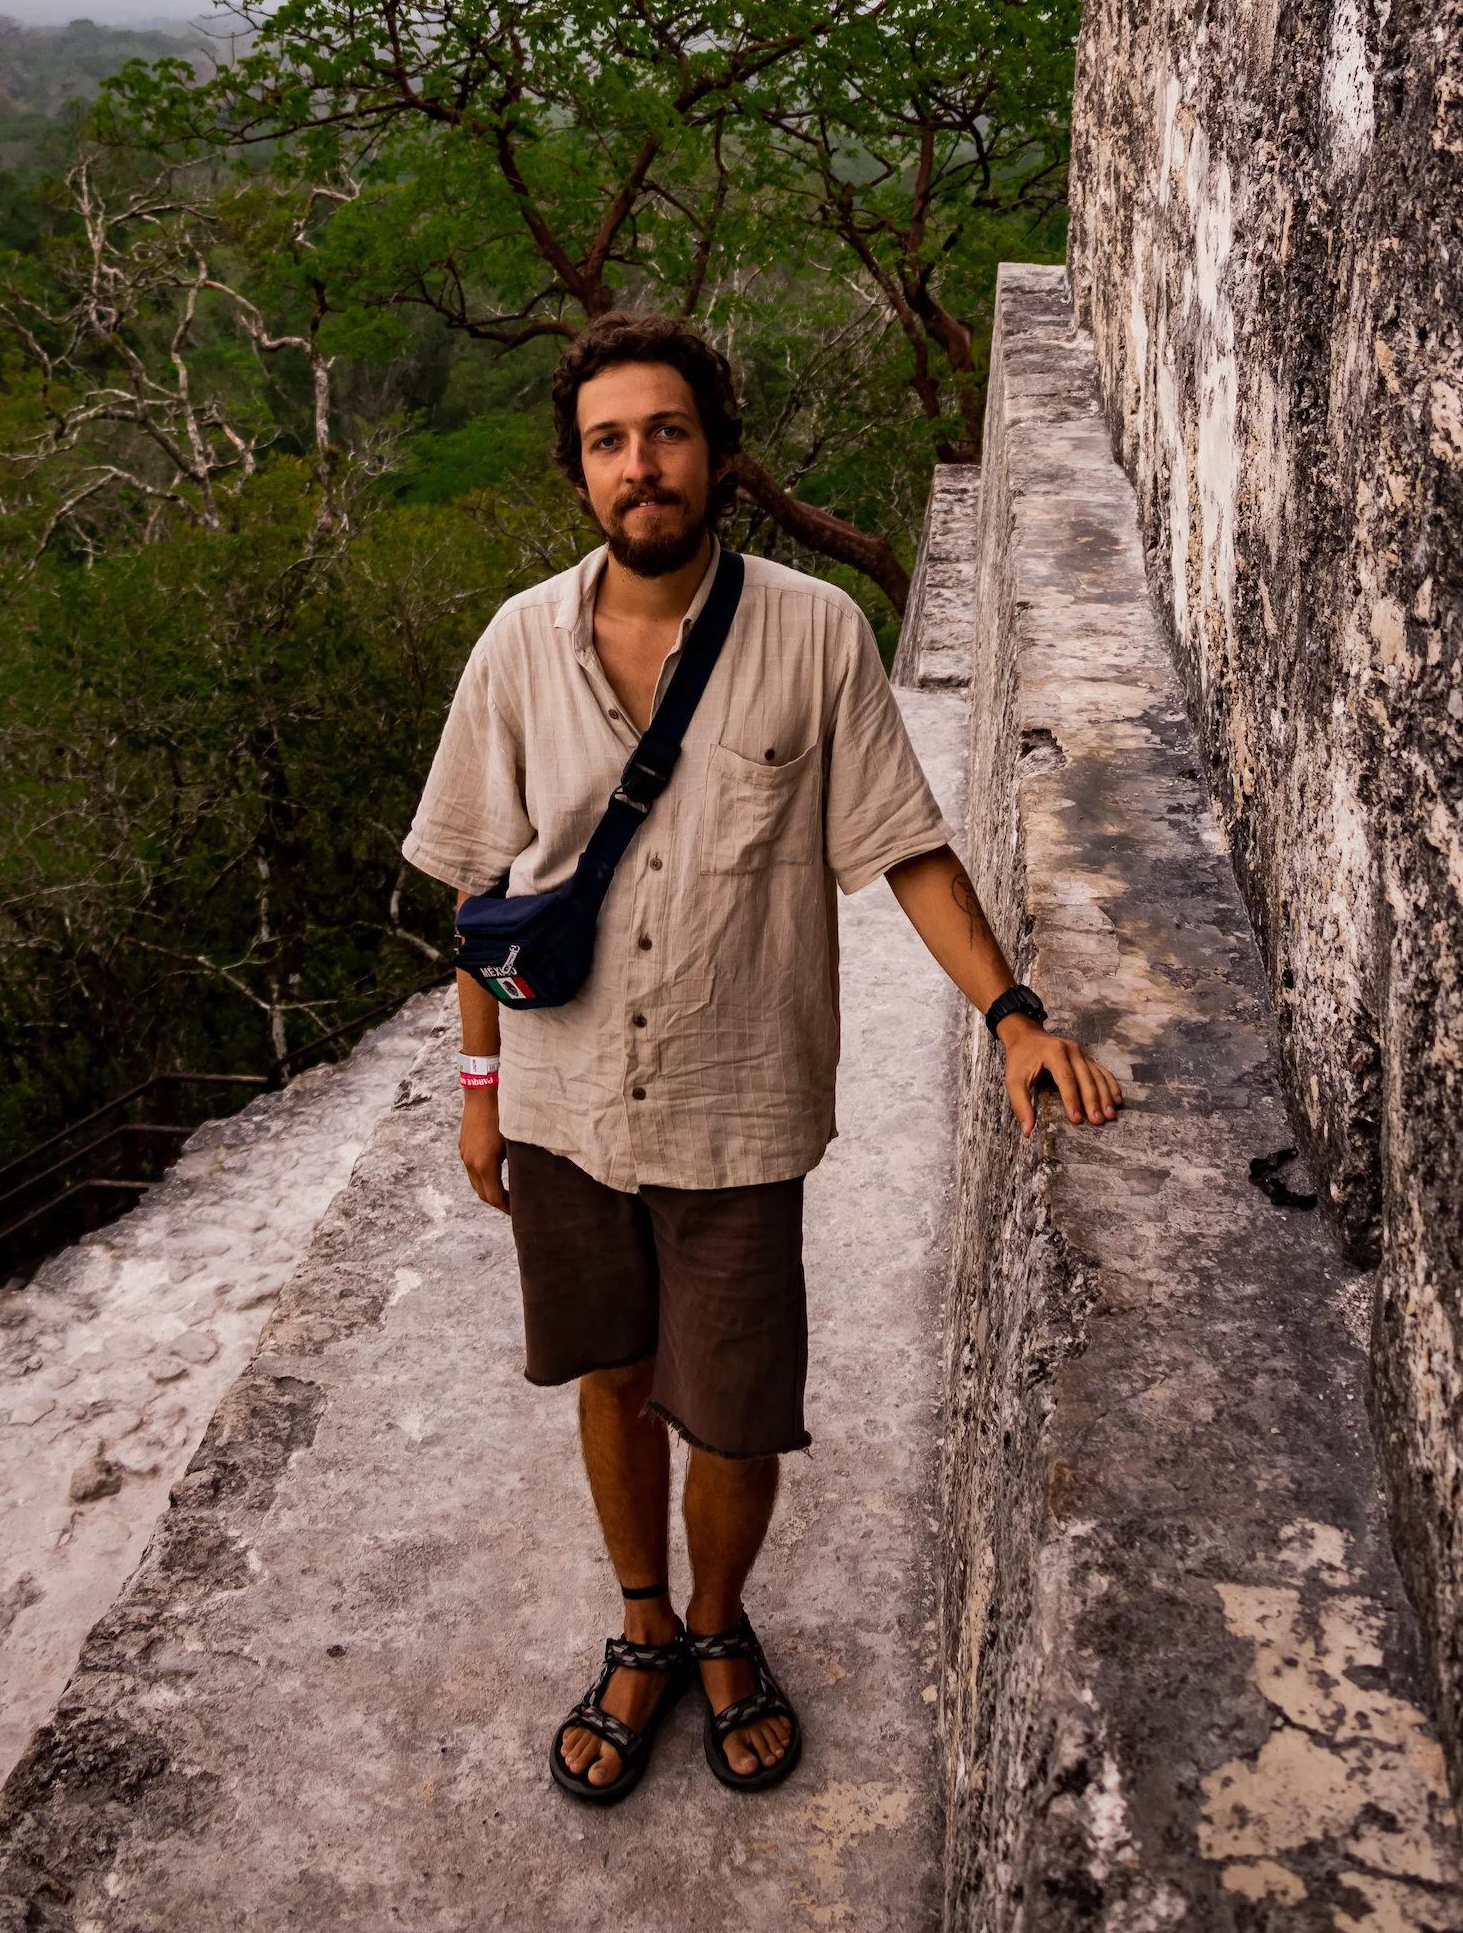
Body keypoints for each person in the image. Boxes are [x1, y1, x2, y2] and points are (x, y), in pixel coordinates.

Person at [401, 313, 1122, 1806]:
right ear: (578, 473)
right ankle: (644, 1626)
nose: (639, 466)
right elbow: (478, 888)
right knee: (611, 1370)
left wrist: (1014, 1015)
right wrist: (478, 1097)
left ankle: (721, 1623)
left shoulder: (812, 632)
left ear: (719, 455)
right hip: (562, 1097)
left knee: (729, 1405)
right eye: (608, 442)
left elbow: (903, 847)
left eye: (664, 433)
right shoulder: (516, 646)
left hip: (739, 1105)